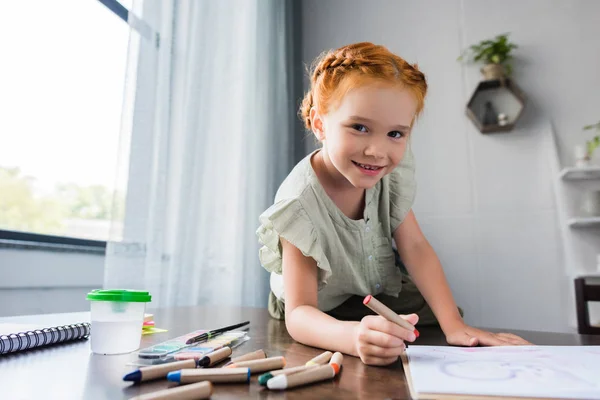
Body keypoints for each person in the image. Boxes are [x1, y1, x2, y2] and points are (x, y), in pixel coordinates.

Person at [257, 42, 529, 366]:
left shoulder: (387, 173)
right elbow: (300, 313)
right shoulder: (298, 202)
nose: (377, 151)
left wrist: (454, 326)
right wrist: (353, 337)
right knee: (349, 327)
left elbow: (414, 246)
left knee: (445, 314)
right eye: (359, 127)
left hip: (368, 288)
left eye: (396, 134)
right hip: (317, 301)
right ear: (319, 124)